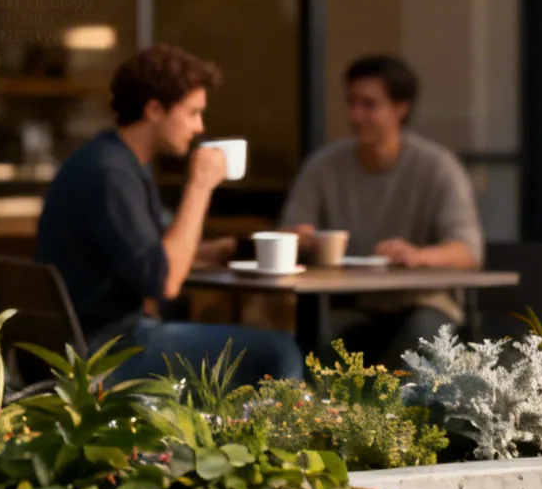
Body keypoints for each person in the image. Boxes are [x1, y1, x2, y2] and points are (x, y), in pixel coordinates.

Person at [34, 44, 305, 388]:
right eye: (192, 113)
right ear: (155, 110)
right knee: (280, 352)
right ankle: (270, 438)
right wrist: (200, 185)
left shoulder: (114, 161)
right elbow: (165, 282)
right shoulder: (109, 173)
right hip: (104, 350)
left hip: (90, 341)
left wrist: (212, 250)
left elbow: (152, 253)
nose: (199, 127)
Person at [280, 54, 484, 367]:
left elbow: (467, 252)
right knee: (304, 349)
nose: (356, 114)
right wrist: (304, 240)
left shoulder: (437, 168)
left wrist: (417, 256)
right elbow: (289, 231)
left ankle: (404, 418)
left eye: (369, 104)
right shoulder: (324, 166)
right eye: (351, 102)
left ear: (401, 108)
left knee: (420, 343)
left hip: (424, 302)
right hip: (352, 302)